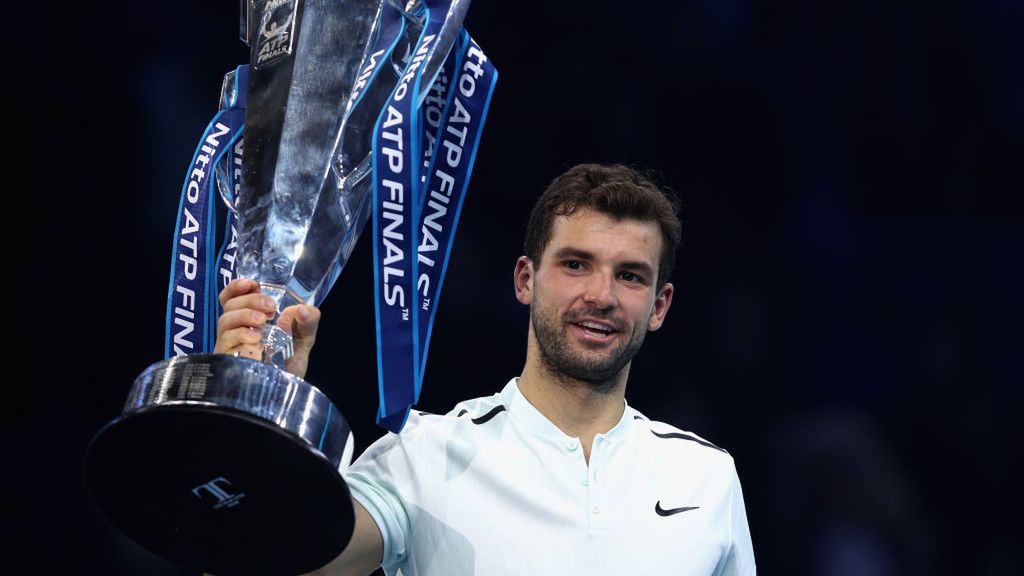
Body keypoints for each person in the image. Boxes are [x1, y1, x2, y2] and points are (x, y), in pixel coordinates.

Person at [215, 163, 756, 575]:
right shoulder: (423, 454)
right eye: (575, 265)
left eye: (631, 276)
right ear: (525, 280)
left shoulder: (707, 478)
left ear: (659, 306)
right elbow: (263, 561)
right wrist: (256, 409)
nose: (602, 295)